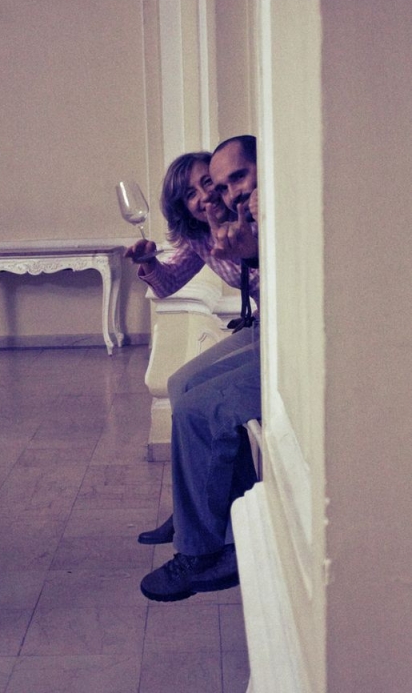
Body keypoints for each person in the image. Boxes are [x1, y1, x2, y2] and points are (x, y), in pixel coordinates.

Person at [139, 134, 262, 602]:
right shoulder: (201, 236)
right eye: (191, 192)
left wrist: (247, 249)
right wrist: (148, 263)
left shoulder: (254, 215)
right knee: (180, 383)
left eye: (210, 183)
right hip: (266, 323)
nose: (207, 195)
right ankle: (196, 508)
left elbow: (276, 268)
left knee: (198, 409)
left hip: (283, 329)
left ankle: (201, 551)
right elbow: (167, 283)